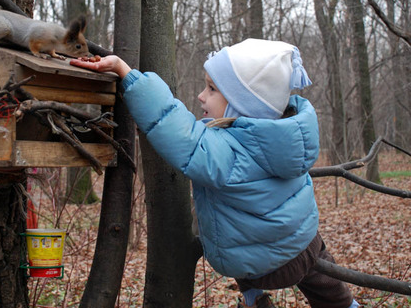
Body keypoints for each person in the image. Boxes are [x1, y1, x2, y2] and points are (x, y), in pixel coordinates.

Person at [71, 39, 359, 308]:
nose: (200, 96)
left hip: (264, 265)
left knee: (242, 249)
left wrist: (126, 72)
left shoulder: (228, 151)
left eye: (211, 89)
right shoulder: (286, 135)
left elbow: (176, 128)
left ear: (242, 104)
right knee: (323, 283)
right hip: (307, 243)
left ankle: (255, 296)